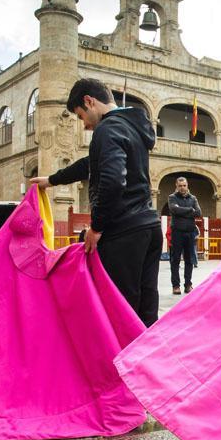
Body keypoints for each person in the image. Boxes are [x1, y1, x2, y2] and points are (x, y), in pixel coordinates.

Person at [30, 78, 162, 326]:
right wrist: (52, 179)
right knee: (146, 307)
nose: (86, 126)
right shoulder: (132, 126)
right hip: (149, 227)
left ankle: (118, 363)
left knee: (121, 308)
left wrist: (97, 227)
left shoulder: (107, 129)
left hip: (124, 232)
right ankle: (146, 362)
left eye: (81, 117)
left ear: (89, 101)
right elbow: (91, 163)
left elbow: (112, 180)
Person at [168, 177, 202, 295]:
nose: (182, 188)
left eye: (184, 185)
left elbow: (198, 213)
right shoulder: (172, 197)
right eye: (180, 186)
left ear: (187, 186)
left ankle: (188, 285)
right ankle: (176, 286)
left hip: (190, 233)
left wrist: (181, 210)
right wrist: (190, 210)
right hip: (177, 232)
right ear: (176, 186)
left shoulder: (193, 198)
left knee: (189, 260)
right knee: (175, 260)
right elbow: (173, 209)